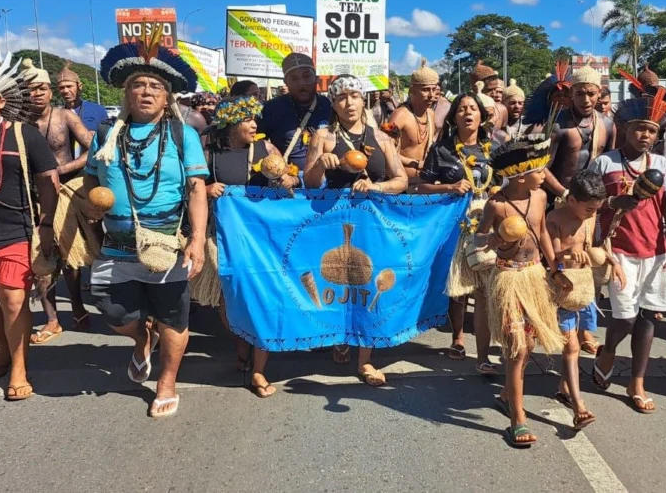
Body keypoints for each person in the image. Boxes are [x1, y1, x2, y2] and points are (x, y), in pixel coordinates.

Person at [86, 40, 209, 418]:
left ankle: (166, 383)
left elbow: (196, 189)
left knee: (173, 317)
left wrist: (198, 240)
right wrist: (93, 203)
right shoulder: (106, 133)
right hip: (116, 244)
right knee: (114, 313)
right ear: (126, 92)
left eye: (155, 86)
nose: (146, 92)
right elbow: (92, 181)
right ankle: (142, 339)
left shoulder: (181, 134)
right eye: (139, 84)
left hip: (166, 243)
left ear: (167, 95)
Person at [304, 75, 408, 386]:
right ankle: (339, 336)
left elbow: (401, 180)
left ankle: (365, 360)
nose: (348, 102)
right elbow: (309, 183)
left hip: (371, 226)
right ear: (333, 104)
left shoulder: (382, 138)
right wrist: (321, 164)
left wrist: (375, 186)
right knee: (337, 283)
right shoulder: (322, 137)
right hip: (332, 226)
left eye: (354, 96)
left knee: (367, 285)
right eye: (341, 98)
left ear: (363, 99)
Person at [590, 88, 666, 414]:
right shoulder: (605, 162)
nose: (645, 135)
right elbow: (583, 200)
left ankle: (637, 381)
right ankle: (609, 350)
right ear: (626, 128)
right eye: (640, 128)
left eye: (652, 131)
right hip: (619, 252)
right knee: (626, 316)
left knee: (648, 316)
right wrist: (613, 201)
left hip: (655, 251)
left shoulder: (661, 164)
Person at [476, 131, 567, 447]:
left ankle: (506, 394)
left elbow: (542, 232)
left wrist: (555, 267)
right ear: (518, 175)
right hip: (509, 280)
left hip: (534, 276)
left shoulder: (541, 197)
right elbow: (477, 238)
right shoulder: (496, 205)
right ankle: (518, 419)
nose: (544, 175)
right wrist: (494, 241)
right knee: (516, 349)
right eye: (539, 170)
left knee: (528, 347)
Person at [196, 95, 286, 398]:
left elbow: (287, 184)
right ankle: (241, 343)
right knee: (229, 300)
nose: (255, 125)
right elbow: (189, 188)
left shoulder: (264, 148)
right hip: (224, 238)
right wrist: (207, 189)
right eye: (248, 120)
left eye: (254, 119)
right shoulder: (209, 152)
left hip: (263, 239)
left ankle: (259, 370)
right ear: (231, 122)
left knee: (265, 298)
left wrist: (286, 180)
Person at [418, 92, 498, 374]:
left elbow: (505, 182)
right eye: (462, 109)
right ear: (453, 117)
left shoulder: (494, 148)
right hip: (455, 224)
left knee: (485, 287)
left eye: (473, 108)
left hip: (488, 224)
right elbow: (422, 185)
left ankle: (484, 353)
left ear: (481, 116)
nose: (468, 113)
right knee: (459, 286)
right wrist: (450, 187)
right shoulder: (442, 150)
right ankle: (458, 338)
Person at [0, 54, 60, 401]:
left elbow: (48, 179)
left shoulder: (23, 134)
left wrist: (48, 223)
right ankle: (4, 353)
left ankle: (19, 367)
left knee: (12, 297)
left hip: (15, 229)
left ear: (1, 101)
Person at [20, 60, 95, 342]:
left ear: (50, 91)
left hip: (64, 192)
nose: (37, 94)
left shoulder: (66, 117)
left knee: (70, 258)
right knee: (40, 257)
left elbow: (92, 151)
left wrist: (61, 170)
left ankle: (76, 305)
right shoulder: (20, 123)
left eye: (41, 88)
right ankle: (52, 319)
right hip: (32, 196)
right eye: (31, 90)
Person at [548, 169, 622, 428]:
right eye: (589, 208)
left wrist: (612, 261)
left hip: (585, 287)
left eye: (596, 209)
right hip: (562, 287)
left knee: (579, 340)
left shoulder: (590, 218)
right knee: (571, 348)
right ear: (571, 201)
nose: (592, 213)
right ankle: (579, 407)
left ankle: (563, 387)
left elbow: (594, 246)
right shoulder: (554, 219)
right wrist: (568, 254)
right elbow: (552, 255)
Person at [544, 60, 616, 205]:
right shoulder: (558, 124)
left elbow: (610, 168)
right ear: (571, 93)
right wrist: (564, 194)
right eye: (580, 94)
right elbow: (541, 167)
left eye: (591, 94)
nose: (586, 100)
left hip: (592, 202)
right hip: (559, 201)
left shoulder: (608, 125)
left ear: (599, 94)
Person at [260, 53, 332, 171]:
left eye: (306, 76)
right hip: (286, 182)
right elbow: (255, 143)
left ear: (316, 78)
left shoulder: (330, 106)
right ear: (286, 82)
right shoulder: (270, 109)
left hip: (327, 183)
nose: (301, 83)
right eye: (294, 78)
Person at [390, 60, 439, 191]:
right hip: (403, 183)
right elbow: (387, 152)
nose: (431, 95)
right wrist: (416, 164)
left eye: (434, 90)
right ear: (412, 90)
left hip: (425, 182)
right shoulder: (400, 115)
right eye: (425, 90)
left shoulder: (431, 114)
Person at [56, 61, 109, 134]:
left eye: (69, 86)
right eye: (61, 87)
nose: (65, 91)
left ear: (79, 86)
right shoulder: (56, 115)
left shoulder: (97, 110)